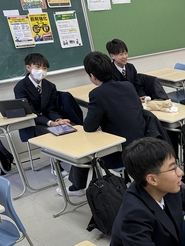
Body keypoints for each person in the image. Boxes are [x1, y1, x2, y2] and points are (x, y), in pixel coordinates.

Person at [62, 51, 146, 196]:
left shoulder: (97, 94)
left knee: (84, 144)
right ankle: (77, 183)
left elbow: (89, 127)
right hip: (142, 144)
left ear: (92, 76)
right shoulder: (128, 85)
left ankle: (77, 186)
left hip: (119, 152)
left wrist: (101, 123)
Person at [14, 53, 70, 142]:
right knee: (55, 135)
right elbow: (30, 112)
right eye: (38, 67)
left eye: (44, 68)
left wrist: (58, 120)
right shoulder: (20, 87)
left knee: (70, 128)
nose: (41, 71)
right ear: (28, 68)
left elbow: (51, 109)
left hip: (49, 120)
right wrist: (50, 123)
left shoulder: (50, 86)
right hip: (32, 124)